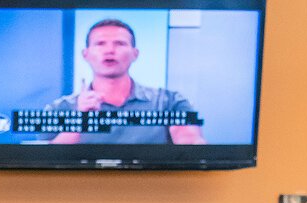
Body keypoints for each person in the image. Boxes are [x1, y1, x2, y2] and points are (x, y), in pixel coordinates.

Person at [48, 18, 207, 146]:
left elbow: (190, 145)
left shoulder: (169, 102)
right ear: (85, 54)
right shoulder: (59, 108)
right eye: (100, 43)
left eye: (120, 43)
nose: (110, 50)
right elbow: (48, 161)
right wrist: (79, 119)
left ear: (135, 54)